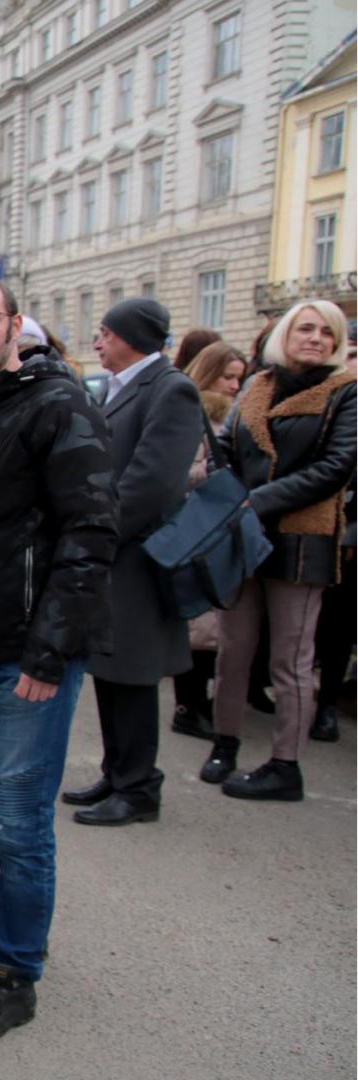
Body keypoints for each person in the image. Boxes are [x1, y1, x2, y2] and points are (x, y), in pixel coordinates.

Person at [0, 276, 116, 1044]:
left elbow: (90, 532)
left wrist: (49, 651)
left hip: (29, 658)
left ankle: (13, 975)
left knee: (19, 818)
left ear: (14, 324)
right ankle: (5, 920)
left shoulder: (56, 402)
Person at [201, 299, 356, 800]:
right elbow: (225, 448)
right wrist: (226, 495)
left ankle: (285, 765)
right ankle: (224, 744)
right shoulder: (257, 384)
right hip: (242, 534)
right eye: (305, 328)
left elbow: (336, 467)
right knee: (233, 650)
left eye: (326, 333)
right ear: (285, 335)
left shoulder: (346, 392)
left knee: (290, 661)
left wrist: (255, 501)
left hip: (301, 538)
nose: (315, 338)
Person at [63, 298, 204, 827]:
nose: (98, 341)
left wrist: (97, 536)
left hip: (137, 558)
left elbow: (152, 482)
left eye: (105, 332)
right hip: (114, 556)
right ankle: (116, 771)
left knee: (135, 675)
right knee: (111, 669)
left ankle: (140, 787)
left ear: (132, 336)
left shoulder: (172, 389)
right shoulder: (121, 387)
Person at [169, 341, 248, 738]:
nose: (234, 385)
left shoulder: (236, 416)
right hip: (194, 526)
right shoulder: (192, 412)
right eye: (227, 376)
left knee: (214, 626)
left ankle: (200, 703)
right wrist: (219, 473)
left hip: (219, 528)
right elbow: (178, 473)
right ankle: (189, 705)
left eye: (239, 378)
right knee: (198, 627)